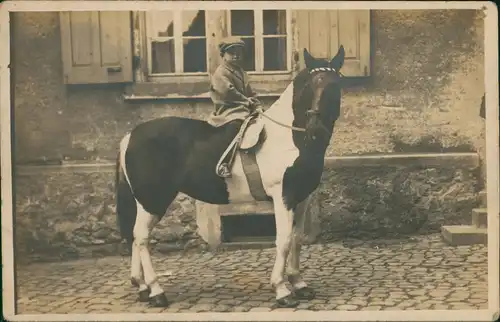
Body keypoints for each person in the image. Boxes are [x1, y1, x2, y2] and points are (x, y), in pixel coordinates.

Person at [207, 36, 263, 177]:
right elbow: (229, 92)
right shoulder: (221, 72)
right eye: (232, 52)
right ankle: (224, 162)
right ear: (223, 55)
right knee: (235, 126)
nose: (236, 55)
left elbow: (250, 91)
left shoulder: (241, 72)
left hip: (244, 107)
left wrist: (257, 104)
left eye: (239, 52)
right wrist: (247, 101)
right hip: (229, 109)